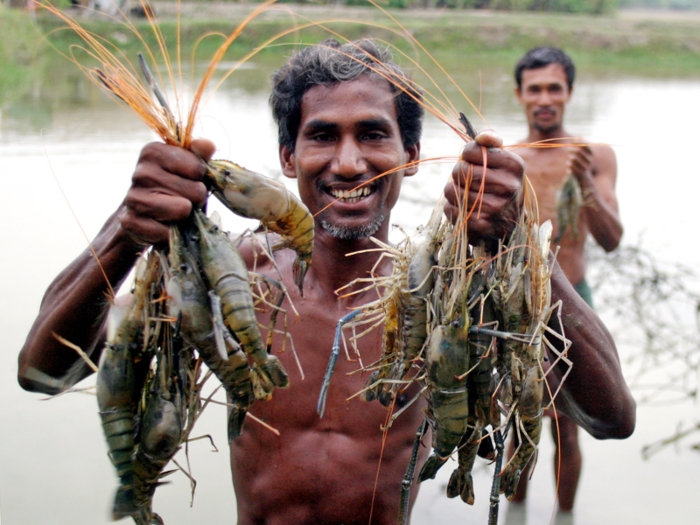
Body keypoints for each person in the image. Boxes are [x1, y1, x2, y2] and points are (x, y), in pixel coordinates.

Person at [18, 39, 634, 525]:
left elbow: (611, 420)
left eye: (372, 134)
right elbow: (44, 373)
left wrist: (524, 243)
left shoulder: (443, 300)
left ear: (412, 154)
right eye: (321, 135)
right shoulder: (234, 277)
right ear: (288, 156)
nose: (347, 163)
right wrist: (126, 231)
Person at [508, 46, 624, 513]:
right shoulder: (508, 160)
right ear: (519, 95)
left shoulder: (594, 155)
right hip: (517, 307)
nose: (544, 98)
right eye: (534, 89)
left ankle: (565, 517)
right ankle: (514, 512)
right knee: (517, 422)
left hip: (574, 305)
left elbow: (612, 239)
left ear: (569, 93)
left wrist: (589, 186)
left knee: (566, 428)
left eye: (554, 88)